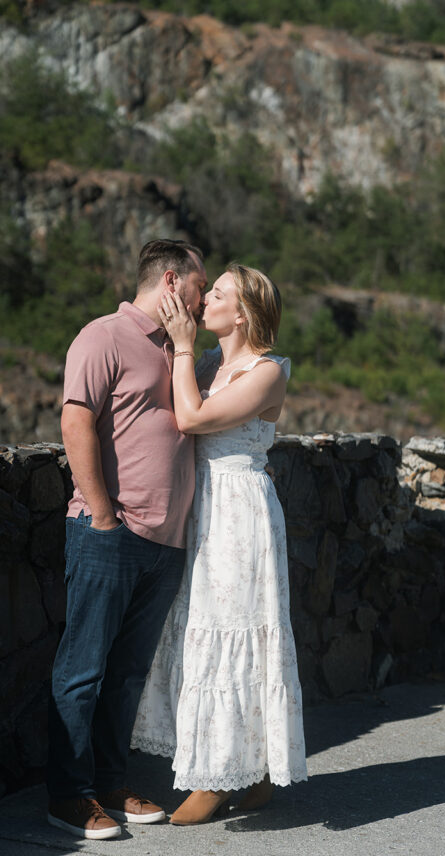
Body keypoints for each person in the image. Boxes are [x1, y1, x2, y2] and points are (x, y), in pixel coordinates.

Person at [132, 262, 308, 825]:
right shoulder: (209, 363)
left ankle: (216, 777)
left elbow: (191, 417)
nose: (205, 298)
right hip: (199, 503)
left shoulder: (268, 370)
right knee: (197, 629)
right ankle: (248, 774)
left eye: (219, 293)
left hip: (237, 513)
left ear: (245, 311)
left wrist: (181, 347)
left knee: (232, 628)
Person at [46, 239, 208, 840]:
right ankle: (69, 795)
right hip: (109, 533)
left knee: (129, 674)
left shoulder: (183, 350)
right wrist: (104, 514)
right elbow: (75, 421)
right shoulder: (102, 336)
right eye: (199, 285)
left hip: (166, 545)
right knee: (83, 670)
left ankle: (112, 784)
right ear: (171, 281)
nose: (203, 295)